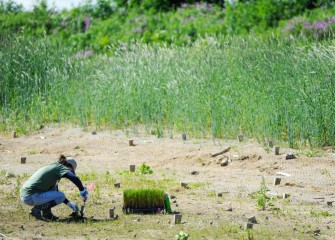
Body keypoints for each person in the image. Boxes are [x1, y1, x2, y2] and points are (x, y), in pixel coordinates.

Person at [20, 155, 89, 221]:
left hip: (26, 196)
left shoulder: (54, 168)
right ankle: (36, 210)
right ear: (68, 166)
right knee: (61, 196)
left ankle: (47, 214)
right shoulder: (60, 167)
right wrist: (82, 190)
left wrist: (70, 204)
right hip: (31, 196)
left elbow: (54, 192)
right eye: (70, 171)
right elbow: (73, 178)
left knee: (55, 193)